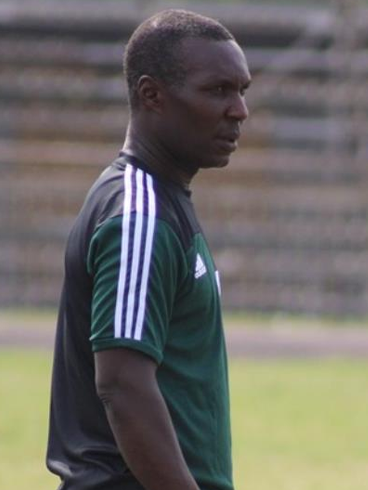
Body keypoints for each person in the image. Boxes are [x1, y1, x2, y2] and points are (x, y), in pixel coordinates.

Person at [46, 9, 251, 490]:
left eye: (242, 91)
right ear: (151, 95)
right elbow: (123, 386)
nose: (239, 110)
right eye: (218, 90)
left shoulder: (162, 202)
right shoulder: (140, 217)